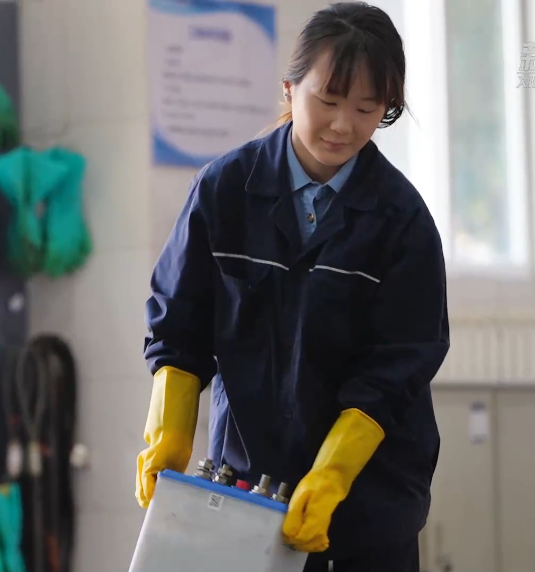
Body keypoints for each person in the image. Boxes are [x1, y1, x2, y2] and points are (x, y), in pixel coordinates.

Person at [136, 2, 450, 570]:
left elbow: (398, 367)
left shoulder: (401, 221)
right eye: (328, 100)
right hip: (244, 487)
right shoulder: (224, 190)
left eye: (366, 108)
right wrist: (169, 435)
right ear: (289, 88)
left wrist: (332, 475)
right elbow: (178, 323)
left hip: (367, 498)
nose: (343, 125)